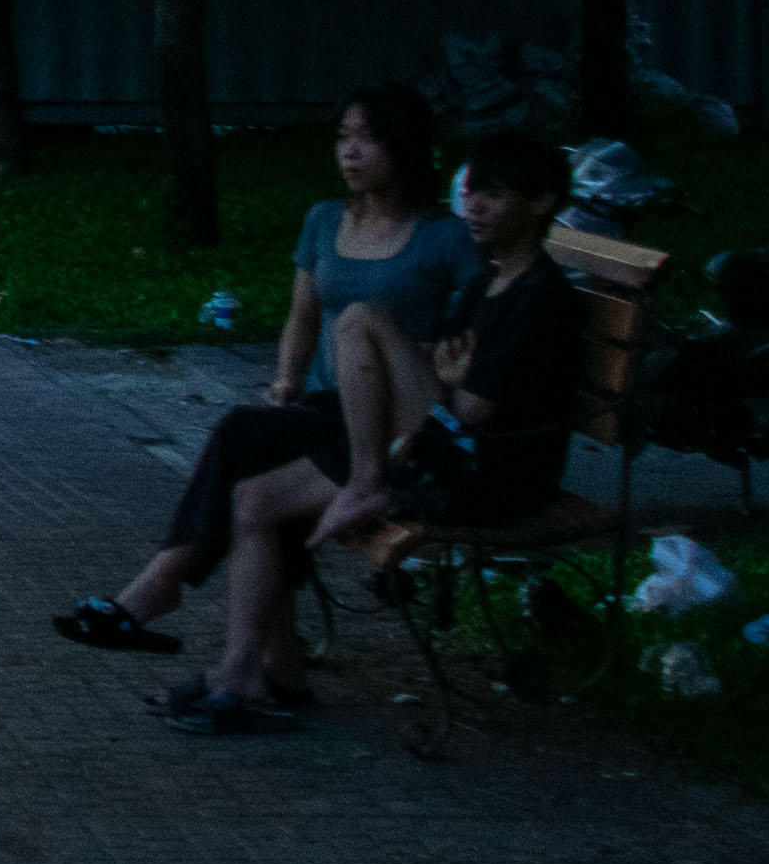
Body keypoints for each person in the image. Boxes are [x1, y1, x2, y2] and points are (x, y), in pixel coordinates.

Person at [162, 132, 594, 734]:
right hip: (444, 447)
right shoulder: (483, 284)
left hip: (487, 474)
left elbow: (471, 410)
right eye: (469, 195)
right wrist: (442, 375)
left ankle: (366, 482)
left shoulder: (540, 298)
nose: (472, 208)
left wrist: (446, 379)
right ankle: (249, 671)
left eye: (492, 197)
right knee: (254, 499)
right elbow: (446, 378)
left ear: (542, 203)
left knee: (360, 320)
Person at [51, 82, 461, 653]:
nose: (349, 152)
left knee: (244, 442)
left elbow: (462, 343)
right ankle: (251, 645)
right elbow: (302, 317)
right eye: (343, 138)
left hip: (382, 423)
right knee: (248, 439)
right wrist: (286, 379)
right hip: (323, 407)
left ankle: (164, 589)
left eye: (367, 139)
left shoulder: (444, 238)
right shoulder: (324, 221)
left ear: (406, 146)